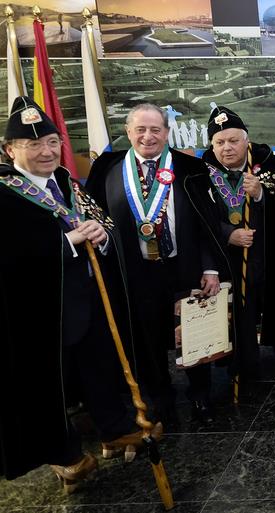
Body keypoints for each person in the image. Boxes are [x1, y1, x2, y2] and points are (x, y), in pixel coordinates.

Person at [0, 97, 160, 492]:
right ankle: (65, 454)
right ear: (10, 150)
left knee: (99, 363)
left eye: (52, 142)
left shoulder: (67, 182)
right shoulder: (4, 194)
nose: (46, 151)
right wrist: (68, 242)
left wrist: (102, 236)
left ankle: (115, 429)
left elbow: (99, 221)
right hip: (37, 312)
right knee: (48, 383)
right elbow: (8, 255)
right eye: (33, 145)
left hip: (85, 298)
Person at [87, 103, 227, 425]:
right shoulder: (107, 171)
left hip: (184, 267)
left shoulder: (191, 168)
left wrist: (210, 268)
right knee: (147, 338)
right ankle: (161, 398)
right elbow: (98, 223)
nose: (148, 136)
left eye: (155, 130)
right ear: (128, 132)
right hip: (136, 274)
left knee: (193, 333)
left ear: (166, 132)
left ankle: (200, 395)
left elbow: (208, 224)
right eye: (140, 129)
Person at [201, 106, 275, 380]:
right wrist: (227, 233)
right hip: (229, 258)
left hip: (269, 253)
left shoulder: (268, 163)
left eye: (233, 141)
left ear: (247, 140)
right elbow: (198, 217)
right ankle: (242, 362)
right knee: (240, 310)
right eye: (220, 143)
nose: (227, 148)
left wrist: (260, 195)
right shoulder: (201, 172)